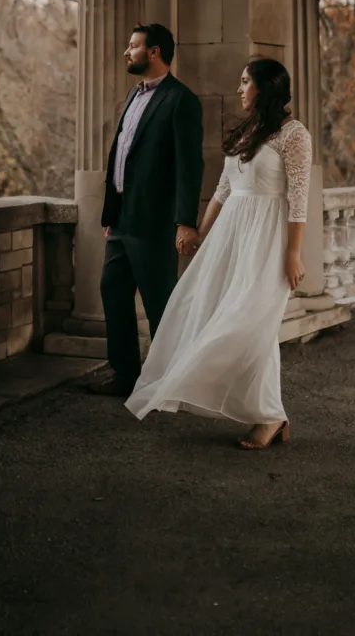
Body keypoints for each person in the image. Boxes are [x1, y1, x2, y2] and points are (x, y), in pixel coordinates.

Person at [125, 57, 312, 450]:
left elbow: (298, 200)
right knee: (203, 309)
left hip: (269, 239)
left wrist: (293, 253)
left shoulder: (294, 135)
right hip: (232, 237)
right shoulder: (246, 132)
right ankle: (271, 415)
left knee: (250, 325)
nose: (240, 88)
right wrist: (199, 233)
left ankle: (267, 413)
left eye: (246, 82)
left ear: (266, 87)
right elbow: (224, 191)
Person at [88, 24, 204, 397]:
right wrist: (110, 215)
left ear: (153, 52)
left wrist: (185, 222)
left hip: (154, 223)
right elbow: (120, 157)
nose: (127, 51)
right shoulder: (132, 95)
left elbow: (190, 166)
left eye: (133, 45)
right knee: (113, 292)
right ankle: (125, 375)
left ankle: (169, 379)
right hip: (122, 220)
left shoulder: (181, 100)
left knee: (160, 305)